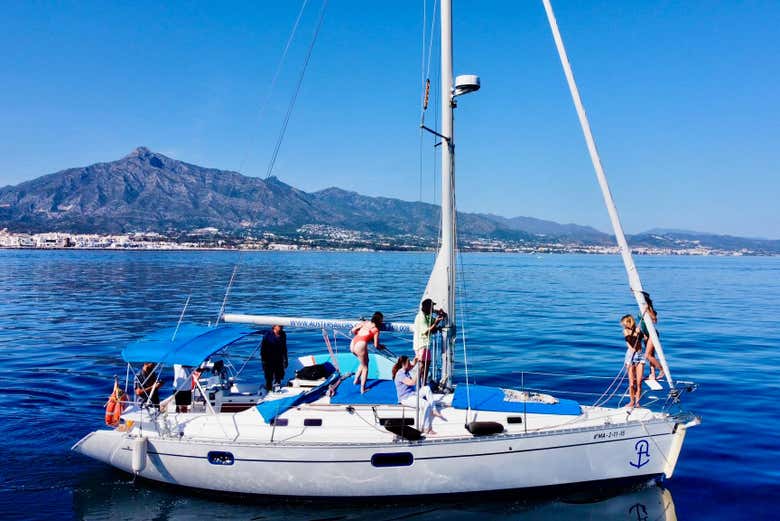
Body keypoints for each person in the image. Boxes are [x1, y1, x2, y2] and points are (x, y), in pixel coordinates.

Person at [392, 355, 437, 434]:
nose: (410, 364)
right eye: (408, 362)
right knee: (426, 404)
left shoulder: (405, 370)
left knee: (427, 388)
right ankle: (426, 428)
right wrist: (419, 369)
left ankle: (434, 410)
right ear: (403, 364)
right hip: (405, 398)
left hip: (412, 394)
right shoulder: (400, 374)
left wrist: (417, 358)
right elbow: (412, 382)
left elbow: (413, 364)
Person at [413, 299, 445, 386]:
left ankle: (423, 384)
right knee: (423, 366)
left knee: (427, 364)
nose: (433, 309)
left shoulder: (427, 316)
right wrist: (436, 322)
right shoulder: (421, 317)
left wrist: (438, 314)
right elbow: (427, 331)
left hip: (425, 345)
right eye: (432, 307)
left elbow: (432, 326)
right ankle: (417, 384)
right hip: (421, 345)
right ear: (428, 308)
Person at [350, 312, 383, 394]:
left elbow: (353, 330)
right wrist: (381, 347)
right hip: (360, 345)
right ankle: (362, 389)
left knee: (364, 362)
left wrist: (360, 334)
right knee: (365, 367)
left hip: (353, 342)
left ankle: (356, 380)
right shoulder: (376, 330)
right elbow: (376, 345)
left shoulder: (364, 322)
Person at [621, 315, 646, 408]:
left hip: (640, 355)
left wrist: (639, 333)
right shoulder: (625, 331)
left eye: (625, 323)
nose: (624, 325)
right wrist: (632, 349)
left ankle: (637, 402)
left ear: (630, 321)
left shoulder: (638, 329)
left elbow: (645, 339)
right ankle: (631, 401)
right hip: (631, 355)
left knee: (639, 382)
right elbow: (629, 342)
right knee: (631, 383)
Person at [638, 293, 664, 381]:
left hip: (652, 334)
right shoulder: (641, 307)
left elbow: (655, 320)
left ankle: (662, 369)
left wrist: (647, 311)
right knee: (651, 355)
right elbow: (642, 323)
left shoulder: (649, 308)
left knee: (648, 355)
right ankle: (652, 374)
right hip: (646, 334)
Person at [261, 325, 288, 391]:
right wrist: (264, 360)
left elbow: (284, 347)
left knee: (279, 376)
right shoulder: (267, 335)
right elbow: (263, 349)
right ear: (274, 326)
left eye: (282, 326)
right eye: (279, 326)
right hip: (269, 359)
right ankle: (268, 390)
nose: (281, 327)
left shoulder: (283, 334)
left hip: (279, 358)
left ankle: (277, 388)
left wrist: (286, 359)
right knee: (269, 377)